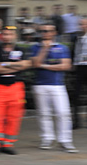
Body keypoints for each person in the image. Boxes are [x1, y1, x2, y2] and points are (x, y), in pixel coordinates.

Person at [30, 23, 78, 152]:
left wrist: (44, 66)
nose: (45, 33)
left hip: (57, 85)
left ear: (54, 32)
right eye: (43, 31)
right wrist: (44, 50)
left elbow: (66, 66)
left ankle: (65, 141)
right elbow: (35, 64)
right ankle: (47, 138)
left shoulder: (62, 47)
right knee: (44, 113)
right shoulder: (35, 47)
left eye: (48, 31)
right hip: (40, 84)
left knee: (63, 113)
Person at [0, 26, 30, 156]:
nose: (7, 36)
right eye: (4, 34)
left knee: (14, 117)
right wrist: (15, 66)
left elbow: (26, 65)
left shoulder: (21, 50)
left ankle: (7, 143)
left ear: (14, 36)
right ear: (1, 36)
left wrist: (5, 65)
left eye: (10, 34)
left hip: (16, 87)